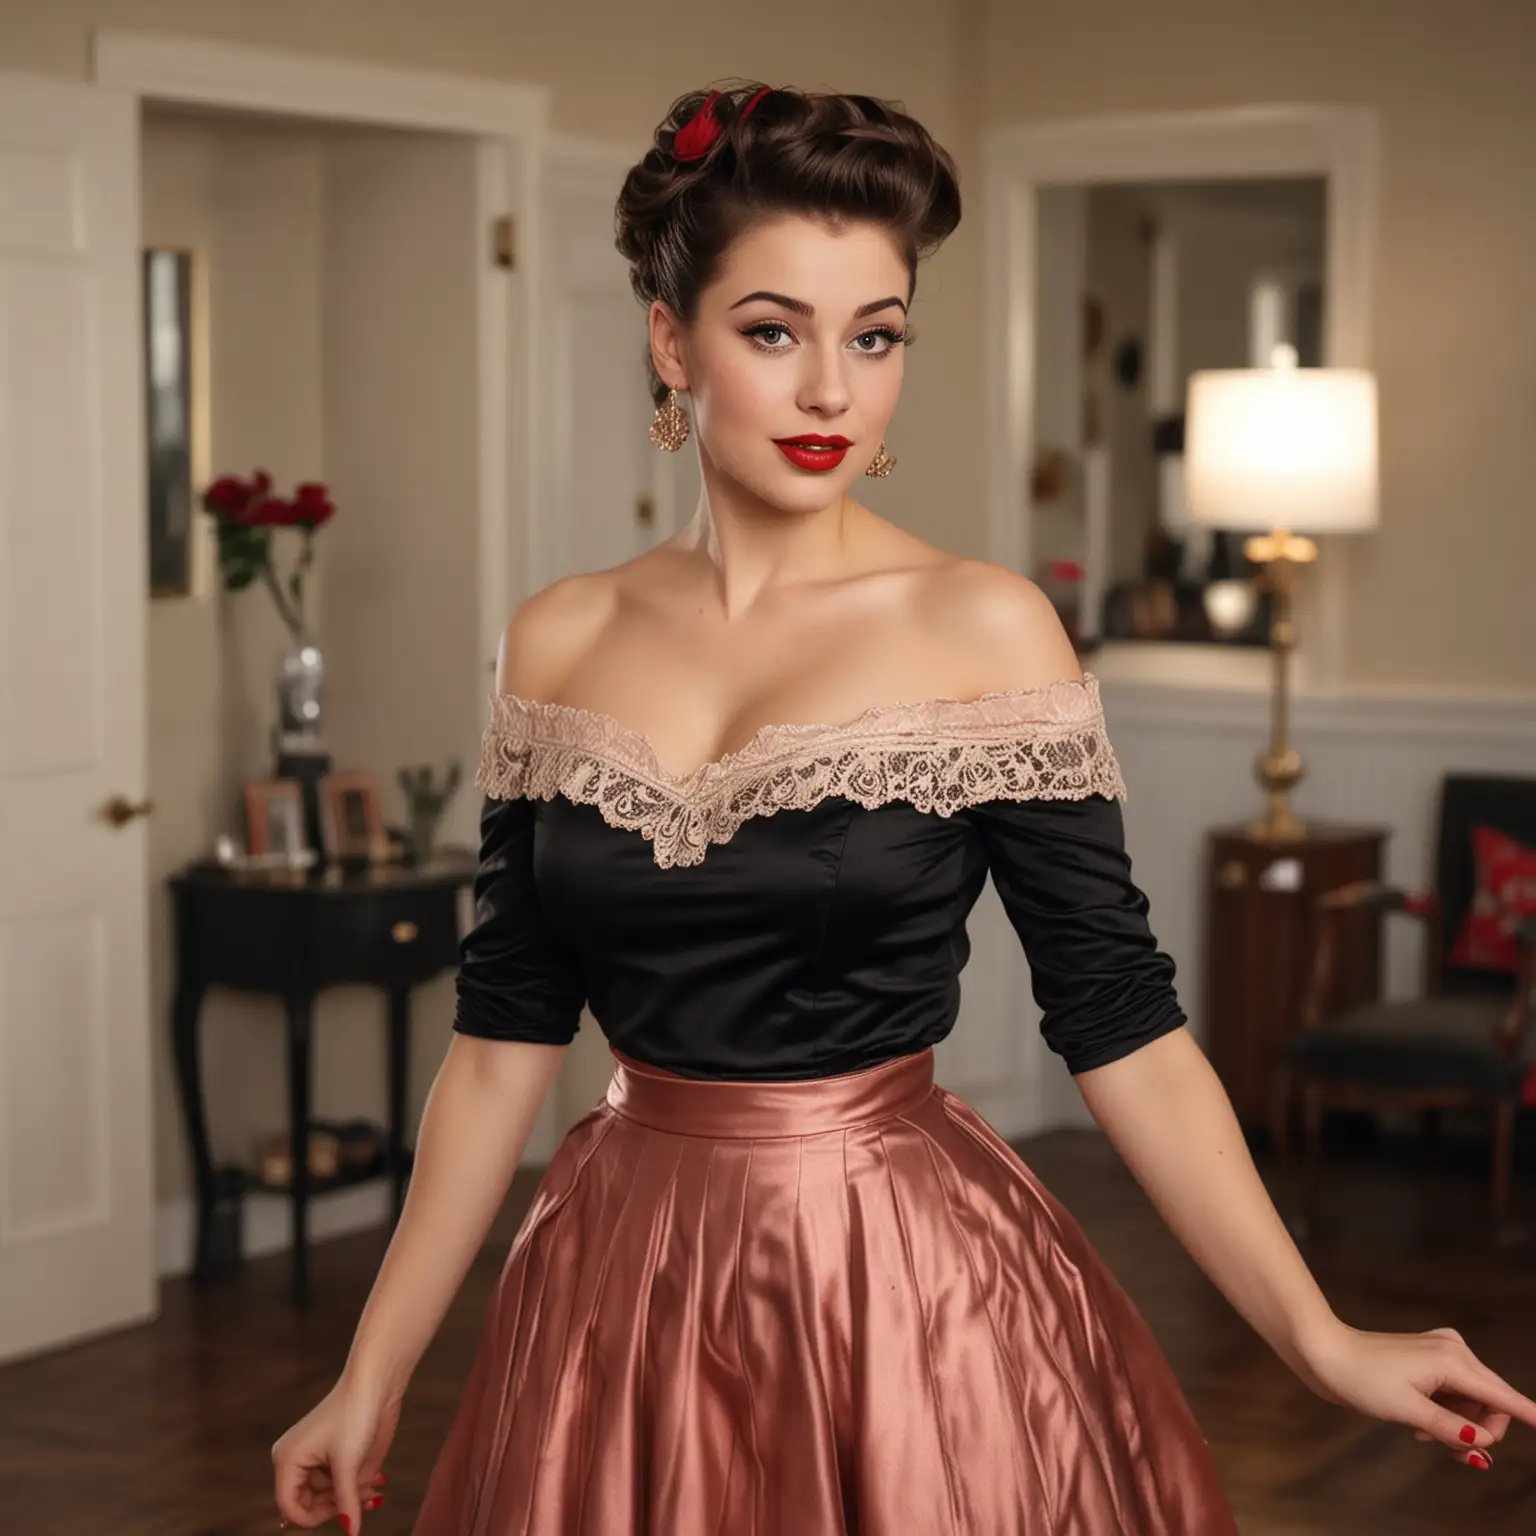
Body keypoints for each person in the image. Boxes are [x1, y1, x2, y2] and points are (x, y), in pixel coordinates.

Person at [271, 82, 1536, 1534]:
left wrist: (1316, 1336)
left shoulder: (982, 628)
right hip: (614, 1279)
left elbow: (1121, 1015)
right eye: (773, 331)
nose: (831, 392)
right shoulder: (558, 638)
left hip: (896, 1279)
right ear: (670, 340)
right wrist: (371, 1372)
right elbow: (500, 1048)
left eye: (873, 338)